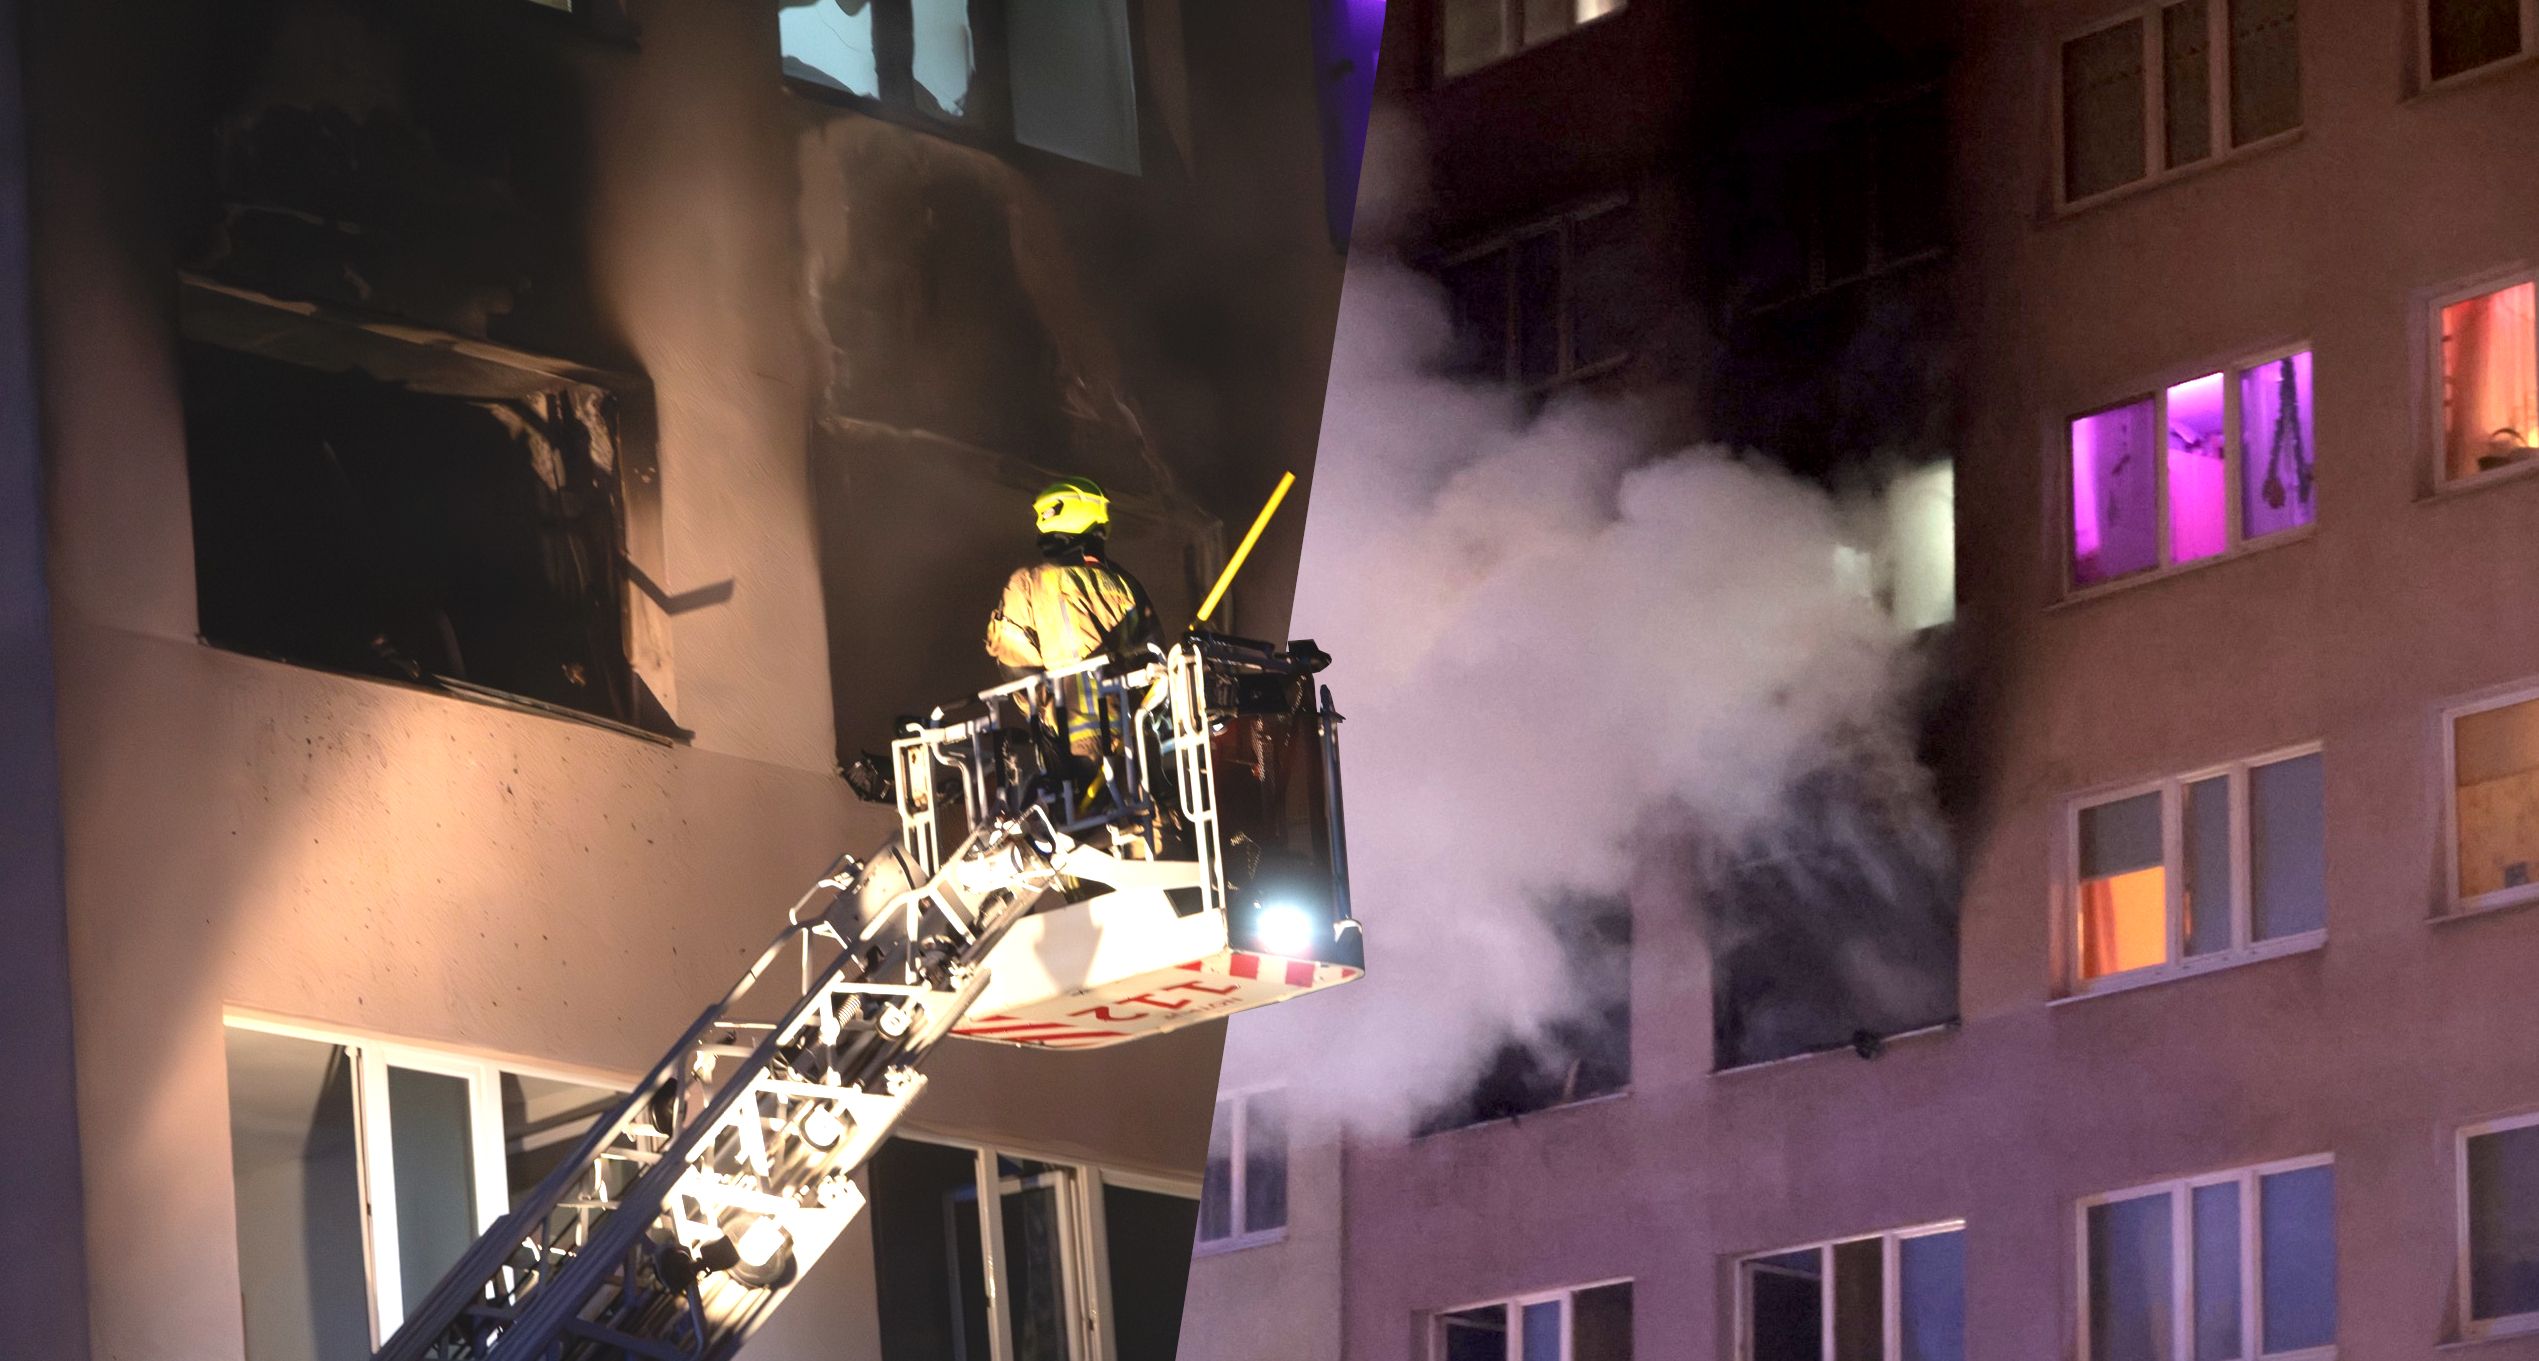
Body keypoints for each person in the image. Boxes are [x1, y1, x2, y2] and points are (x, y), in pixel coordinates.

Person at [984, 477, 1161, 765]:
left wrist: (1045, 720)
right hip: (1136, 740)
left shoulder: (1028, 584)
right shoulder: (1127, 586)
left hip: (1072, 743)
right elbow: (1155, 657)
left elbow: (1016, 668)